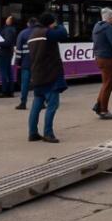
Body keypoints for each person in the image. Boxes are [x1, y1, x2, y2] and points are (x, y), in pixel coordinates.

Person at [27, 13, 68, 143]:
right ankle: (48, 133)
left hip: (37, 75)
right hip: (50, 75)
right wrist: (60, 24)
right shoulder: (47, 33)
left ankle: (32, 133)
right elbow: (63, 34)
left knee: (36, 106)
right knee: (52, 105)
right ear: (50, 23)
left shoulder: (32, 34)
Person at [92, 7, 112, 120]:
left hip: (98, 57)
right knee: (109, 84)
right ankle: (104, 110)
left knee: (105, 83)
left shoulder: (97, 26)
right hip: (106, 58)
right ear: (110, 18)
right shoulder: (108, 27)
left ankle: (98, 105)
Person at [14, 17, 38, 110]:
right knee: (38, 83)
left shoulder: (23, 33)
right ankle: (40, 102)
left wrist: (18, 62)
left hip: (26, 63)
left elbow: (19, 50)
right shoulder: (40, 33)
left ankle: (23, 103)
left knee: (25, 83)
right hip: (37, 62)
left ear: (28, 24)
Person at [0, 15, 17, 98]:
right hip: (7, 53)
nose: (6, 19)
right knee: (9, 71)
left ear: (11, 21)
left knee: (3, 72)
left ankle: (5, 91)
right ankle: (10, 90)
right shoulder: (10, 29)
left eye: (8, 18)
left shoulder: (9, 30)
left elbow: (7, 42)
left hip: (4, 53)